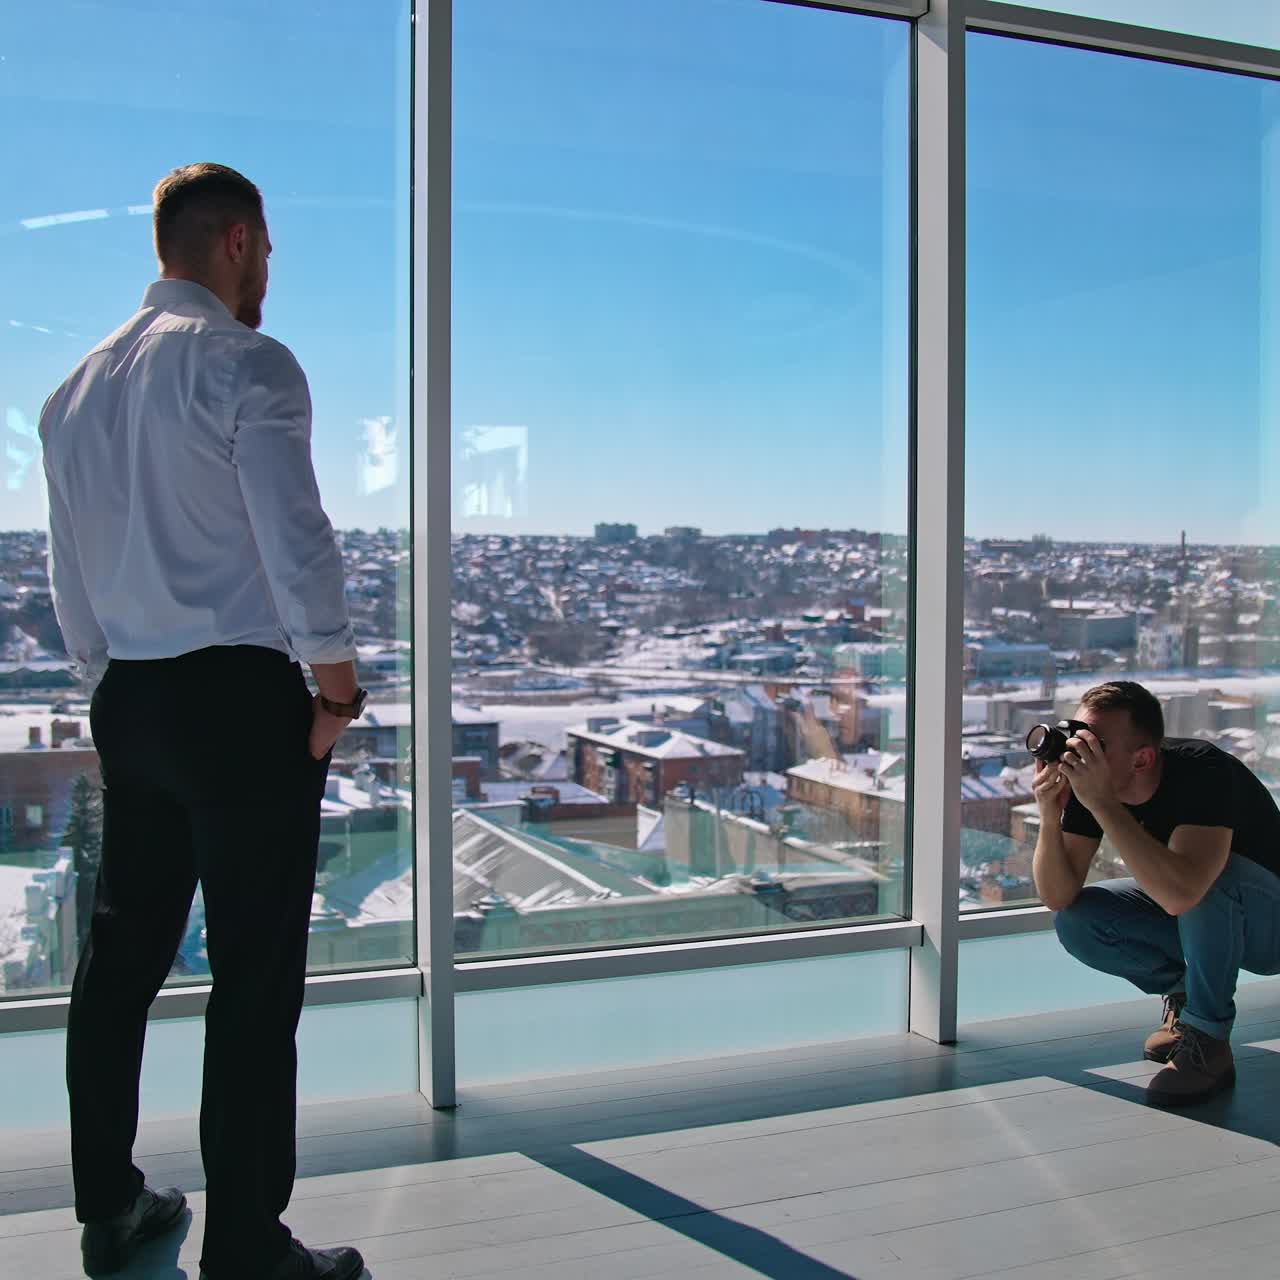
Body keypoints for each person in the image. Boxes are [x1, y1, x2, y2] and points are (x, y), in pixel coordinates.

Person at [40, 163, 367, 1280]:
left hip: (129, 696)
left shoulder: (73, 390)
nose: (268, 271)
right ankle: (245, 1247)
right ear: (235, 240)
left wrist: (110, 687)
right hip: (238, 701)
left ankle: (109, 1203)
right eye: (267, 250)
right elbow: (295, 537)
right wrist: (334, 693)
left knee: (118, 962)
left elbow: (66, 575)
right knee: (254, 973)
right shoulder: (246, 364)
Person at [1032, 679, 1280, 1107]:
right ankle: (1188, 1003)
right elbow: (1057, 895)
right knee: (1078, 919)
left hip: (1269, 927)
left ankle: (1209, 1041)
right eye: (1077, 736)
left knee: (1206, 875)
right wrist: (1050, 816)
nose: (1079, 752)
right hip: (1201, 915)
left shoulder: (1203, 771)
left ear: (1142, 758)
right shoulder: (1098, 785)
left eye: (1095, 744)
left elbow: (1183, 892)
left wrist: (1103, 804)